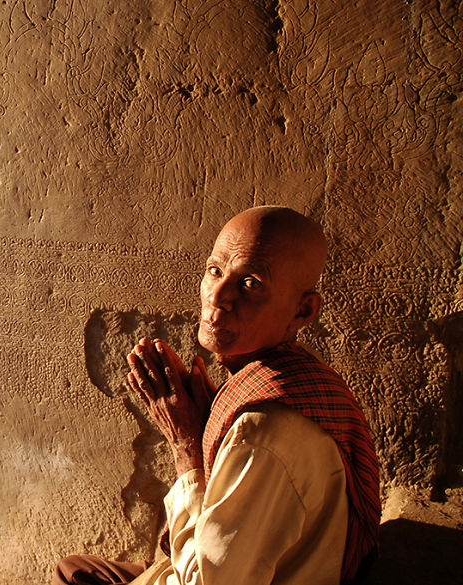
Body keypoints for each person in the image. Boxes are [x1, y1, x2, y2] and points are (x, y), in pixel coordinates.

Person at [54, 206, 380, 585]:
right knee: (77, 567)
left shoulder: (260, 434)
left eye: (251, 283)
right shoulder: (295, 374)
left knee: (71, 576)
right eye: (215, 271)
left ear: (303, 310)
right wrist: (211, 421)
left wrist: (186, 447)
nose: (219, 296)